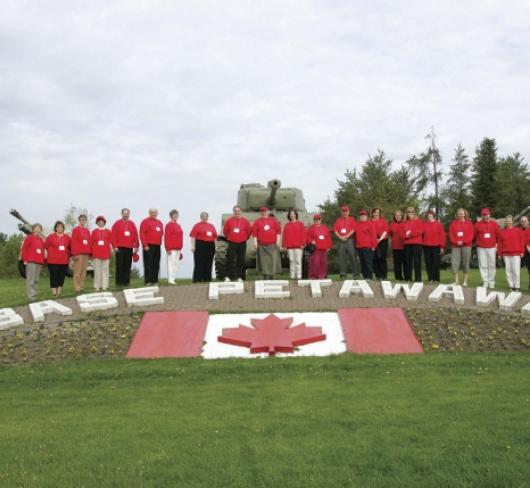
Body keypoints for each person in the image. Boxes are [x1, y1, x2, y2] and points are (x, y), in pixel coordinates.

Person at [111, 208, 139, 286]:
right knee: (120, 265)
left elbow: (135, 235)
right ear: (122, 214)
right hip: (119, 247)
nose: (126, 214)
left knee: (127, 265)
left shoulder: (132, 224)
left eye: (127, 213)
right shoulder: (117, 223)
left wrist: (136, 245)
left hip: (129, 247)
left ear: (129, 214)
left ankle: (126, 282)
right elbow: (113, 235)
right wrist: (114, 246)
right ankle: (119, 283)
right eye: (124, 213)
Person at [252, 206, 282, 280]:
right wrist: (255, 242)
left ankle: (271, 275)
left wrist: (278, 241)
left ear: (267, 212)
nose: (264, 213)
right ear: (260, 213)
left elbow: (278, 231)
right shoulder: (257, 221)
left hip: (272, 244)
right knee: (264, 261)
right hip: (262, 245)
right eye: (262, 211)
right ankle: (265, 275)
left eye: (265, 211)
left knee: (272, 260)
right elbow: (254, 233)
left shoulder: (273, 220)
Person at [223, 205, 251, 282]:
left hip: (242, 243)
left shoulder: (245, 221)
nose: (237, 212)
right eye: (235, 211)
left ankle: (239, 277)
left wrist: (244, 238)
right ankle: (227, 276)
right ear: (233, 212)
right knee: (230, 259)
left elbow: (249, 231)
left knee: (241, 260)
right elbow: (225, 231)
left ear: (240, 212)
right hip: (232, 243)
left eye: (238, 211)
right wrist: (230, 237)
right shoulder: (229, 221)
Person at [474, 208, 500, 289]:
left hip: (492, 247)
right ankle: (485, 281)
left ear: (489, 215)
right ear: (481, 215)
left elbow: (498, 235)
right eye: (483, 214)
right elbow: (474, 235)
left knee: (492, 265)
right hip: (481, 248)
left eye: (486, 214)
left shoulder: (494, 224)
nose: (485, 216)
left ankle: (491, 282)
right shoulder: (477, 224)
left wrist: (497, 246)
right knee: (483, 265)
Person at [498, 215, 525, 291]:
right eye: (507, 221)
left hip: (516, 254)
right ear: (505, 222)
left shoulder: (518, 231)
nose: (508, 222)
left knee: (516, 270)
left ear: (513, 222)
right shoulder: (502, 232)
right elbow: (499, 243)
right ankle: (511, 285)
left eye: (509, 221)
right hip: (506, 254)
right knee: (508, 271)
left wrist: (522, 251)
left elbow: (522, 242)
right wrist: (499, 253)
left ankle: (517, 286)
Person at [44, 220, 71, 296]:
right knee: (54, 276)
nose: (59, 229)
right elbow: (45, 246)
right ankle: (54, 291)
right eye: (58, 227)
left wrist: (68, 254)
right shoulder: (51, 236)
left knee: (61, 276)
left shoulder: (67, 237)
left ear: (63, 228)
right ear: (55, 228)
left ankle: (59, 291)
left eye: (61, 227)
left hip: (64, 261)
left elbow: (70, 248)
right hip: (52, 260)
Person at [20, 223, 45, 301]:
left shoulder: (40, 240)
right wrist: (25, 260)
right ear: (33, 229)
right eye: (36, 228)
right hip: (31, 261)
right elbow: (24, 249)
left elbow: (42, 251)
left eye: (39, 228)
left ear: (41, 230)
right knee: (31, 280)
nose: (37, 230)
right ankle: (31, 297)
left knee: (36, 280)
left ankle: (35, 295)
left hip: (39, 262)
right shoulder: (29, 238)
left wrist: (43, 262)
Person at [449, 208, 474, 286]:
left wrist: (463, 242)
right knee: (454, 262)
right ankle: (456, 281)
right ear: (457, 215)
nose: (460, 215)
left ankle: (465, 281)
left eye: (462, 213)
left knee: (465, 262)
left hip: (466, 245)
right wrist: (456, 242)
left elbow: (471, 235)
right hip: (455, 246)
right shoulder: (453, 223)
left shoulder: (469, 223)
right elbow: (450, 234)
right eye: (459, 213)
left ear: (465, 214)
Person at [190, 212, 217, 282]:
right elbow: (193, 236)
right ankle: (197, 279)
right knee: (199, 262)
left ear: (208, 217)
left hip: (210, 245)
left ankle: (207, 278)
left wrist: (216, 247)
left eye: (206, 216)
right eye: (203, 216)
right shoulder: (197, 225)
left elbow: (215, 238)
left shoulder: (211, 226)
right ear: (201, 217)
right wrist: (193, 246)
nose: (204, 218)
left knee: (209, 262)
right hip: (200, 244)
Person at [333, 205, 358, 279]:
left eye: (346, 211)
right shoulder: (338, 220)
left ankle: (355, 273)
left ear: (348, 212)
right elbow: (335, 230)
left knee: (352, 257)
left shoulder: (352, 219)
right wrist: (340, 237)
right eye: (343, 211)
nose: (345, 213)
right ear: (341, 212)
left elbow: (353, 229)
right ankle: (343, 273)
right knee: (342, 257)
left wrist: (346, 236)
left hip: (349, 240)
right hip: (341, 240)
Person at [140, 208, 164, 285]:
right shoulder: (145, 221)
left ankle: (155, 280)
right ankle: (148, 281)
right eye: (152, 212)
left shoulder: (159, 222)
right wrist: (145, 245)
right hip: (148, 245)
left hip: (157, 245)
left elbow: (161, 233)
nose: (154, 214)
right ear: (149, 213)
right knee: (148, 263)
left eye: (155, 212)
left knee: (156, 263)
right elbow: (142, 233)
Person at [281, 208, 306, 279]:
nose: (292, 215)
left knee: (298, 261)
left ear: (296, 215)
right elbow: (284, 235)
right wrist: (284, 245)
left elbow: (303, 234)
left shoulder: (300, 224)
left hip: (298, 246)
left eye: (293, 214)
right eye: (291, 214)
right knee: (291, 260)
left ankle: (299, 275)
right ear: (289, 215)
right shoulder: (287, 225)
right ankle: (292, 275)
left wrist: (303, 243)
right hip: (290, 246)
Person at [422, 210, 446, 282]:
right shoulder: (424, 224)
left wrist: (442, 247)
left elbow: (442, 236)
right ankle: (430, 278)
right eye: (428, 214)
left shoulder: (439, 224)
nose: (429, 215)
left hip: (436, 246)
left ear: (433, 215)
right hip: (426, 245)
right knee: (428, 263)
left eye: (430, 214)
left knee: (436, 263)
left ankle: (436, 278)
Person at [401, 207, 424, 282]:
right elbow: (401, 233)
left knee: (417, 261)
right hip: (407, 244)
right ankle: (408, 278)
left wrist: (410, 234)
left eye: (412, 212)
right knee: (408, 261)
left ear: (414, 213)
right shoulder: (404, 222)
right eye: (408, 212)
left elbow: (420, 231)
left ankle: (418, 278)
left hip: (417, 243)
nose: (410, 213)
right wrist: (405, 236)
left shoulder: (418, 221)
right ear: (406, 213)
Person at [306, 214, 332, 279]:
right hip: (316, 249)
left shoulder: (325, 227)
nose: (317, 221)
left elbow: (328, 237)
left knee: (323, 263)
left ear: (321, 220)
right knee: (315, 262)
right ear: (314, 220)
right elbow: (306, 236)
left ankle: (322, 276)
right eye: (316, 220)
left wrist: (329, 246)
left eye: (318, 219)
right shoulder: (311, 228)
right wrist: (311, 241)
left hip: (324, 248)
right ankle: (313, 276)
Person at [90, 216, 112, 291]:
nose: (100, 222)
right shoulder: (94, 232)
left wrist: (113, 249)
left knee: (105, 270)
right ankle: (97, 286)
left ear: (104, 222)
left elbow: (112, 242)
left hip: (106, 253)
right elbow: (91, 243)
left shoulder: (108, 231)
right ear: (97, 223)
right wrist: (91, 253)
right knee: (97, 270)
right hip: (96, 253)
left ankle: (105, 286)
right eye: (99, 221)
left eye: (102, 221)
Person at [71, 214, 91, 292]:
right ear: (79, 221)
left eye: (84, 220)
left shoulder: (87, 231)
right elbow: (73, 242)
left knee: (83, 272)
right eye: (81, 220)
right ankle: (77, 287)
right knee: (77, 271)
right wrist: (74, 254)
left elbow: (89, 242)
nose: (82, 221)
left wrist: (90, 253)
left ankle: (82, 286)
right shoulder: (76, 229)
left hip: (86, 253)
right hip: (78, 253)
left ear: (86, 221)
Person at [355, 210, 377, 280]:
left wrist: (374, 246)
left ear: (366, 216)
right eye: (361, 216)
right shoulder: (357, 225)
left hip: (368, 246)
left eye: (364, 216)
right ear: (359, 217)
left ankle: (369, 276)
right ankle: (364, 276)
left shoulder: (370, 224)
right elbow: (356, 236)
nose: (363, 217)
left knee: (368, 262)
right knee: (363, 262)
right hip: (359, 246)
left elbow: (373, 235)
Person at [164, 209, 184, 285]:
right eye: (174, 215)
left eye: (176, 215)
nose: (175, 216)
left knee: (175, 264)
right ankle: (170, 279)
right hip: (171, 248)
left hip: (178, 248)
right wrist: (167, 248)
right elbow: (167, 237)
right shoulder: (168, 225)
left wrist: (180, 248)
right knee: (171, 264)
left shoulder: (178, 225)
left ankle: (173, 278)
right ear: (171, 216)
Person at [371, 207, 389, 280]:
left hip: (383, 241)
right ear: (372, 213)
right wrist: (374, 240)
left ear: (380, 213)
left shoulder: (383, 221)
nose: (376, 214)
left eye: (378, 212)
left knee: (382, 258)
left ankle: (383, 275)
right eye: (375, 212)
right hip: (373, 241)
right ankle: (378, 275)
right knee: (375, 258)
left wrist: (380, 239)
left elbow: (386, 230)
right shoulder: (370, 222)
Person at [388, 210, 405, 281]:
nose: (397, 216)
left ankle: (407, 277)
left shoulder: (405, 223)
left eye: (399, 215)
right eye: (396, 215)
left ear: (402, 216)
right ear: (394, 217)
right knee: (397, 263)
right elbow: (390, 234)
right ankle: (398, 277)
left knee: (405, 262)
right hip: (395, 246)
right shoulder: (392, 225)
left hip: (404, 245)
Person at [520, 216, 530, 290]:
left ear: (528, 221)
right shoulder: (520, 231)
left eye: (525, 221)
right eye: (522, 221)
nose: (524, 222)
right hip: (524, 252)